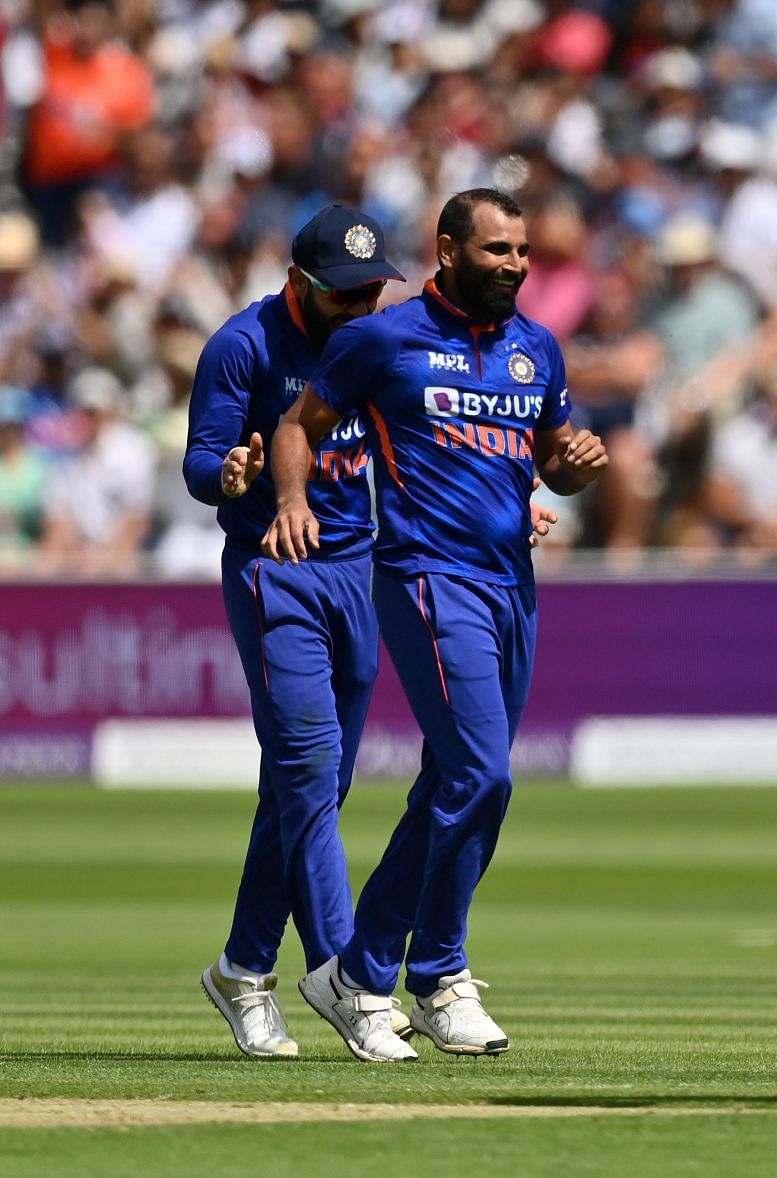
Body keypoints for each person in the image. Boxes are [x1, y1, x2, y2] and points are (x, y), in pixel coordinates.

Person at [183, 204, 558, 1058]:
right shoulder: (243, 346)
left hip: (364, 567)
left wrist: (511, 496)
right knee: (310, 777)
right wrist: (233, 473)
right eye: (343, 292)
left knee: (312, 786)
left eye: (370, 290)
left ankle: (243, 969)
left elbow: (440, 444)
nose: (360, 305)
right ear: (301, 281)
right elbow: (202, 460)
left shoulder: (382, 343)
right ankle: (347, 978)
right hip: (276, 570)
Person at [265, 189, 607, 1062]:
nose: (517, 266)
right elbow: (297, 427)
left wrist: (574, 468)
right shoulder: (382, 338)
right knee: (483, 775)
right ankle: (434, 974)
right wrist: (295, 499)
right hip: (424, 578)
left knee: (457, 783)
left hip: (512, 587)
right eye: (498, 250)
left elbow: (552, 468)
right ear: (448, 250)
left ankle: (358, 971)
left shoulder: (536, 347)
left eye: (524, 251)